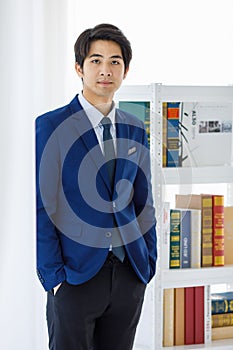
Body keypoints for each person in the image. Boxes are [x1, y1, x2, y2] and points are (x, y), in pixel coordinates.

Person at [36, 23, 157, 350]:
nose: (106, 70)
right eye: (96, 60)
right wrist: (54, 279)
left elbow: (143, 201)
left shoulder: (134, 128)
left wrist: (148, 262)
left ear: (125, 70)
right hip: (75, 276)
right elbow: (44, 206)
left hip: (129, 274)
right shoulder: (51, 125)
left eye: (115, 62)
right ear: (79, 67)